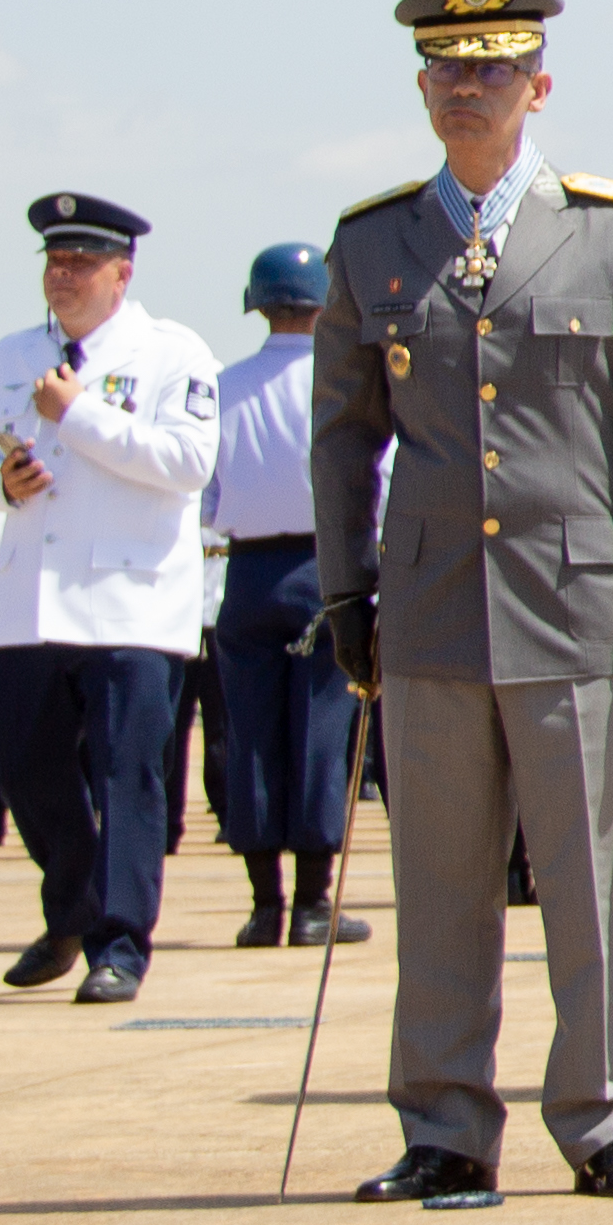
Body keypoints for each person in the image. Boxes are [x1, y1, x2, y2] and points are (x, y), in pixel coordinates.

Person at [311, 0, 613, 1201]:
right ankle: (442, 1123)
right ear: (422, 87)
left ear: (539, 85)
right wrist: (343, 587)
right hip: (429, 606)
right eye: (446, 68)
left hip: (575, 600)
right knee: (438, 879)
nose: (465, 87)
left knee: (585, 880)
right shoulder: (374, 241)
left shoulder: (612, 228)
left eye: (490, 68)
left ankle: (605, 1117)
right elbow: (342, 433)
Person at [0, 193, 220, 1003]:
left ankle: (118, 945)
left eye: (80, 263)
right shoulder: (8, 355)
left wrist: (77, 416)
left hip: (130, 605)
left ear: (122, 272)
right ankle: (75, 899)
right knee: (17, 761)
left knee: (126, 777)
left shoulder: (173, 353)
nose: (62, 275)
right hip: (32, 603)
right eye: (54, 261)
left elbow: (187, 465)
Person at [206, 242, 361, 950]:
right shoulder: (341, 380)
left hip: (245, 574)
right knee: (322, 736)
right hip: (323, 567)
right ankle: (311, 902)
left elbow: (205, 498)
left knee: (252, 737)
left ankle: (264, 904)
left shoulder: (221, 386)